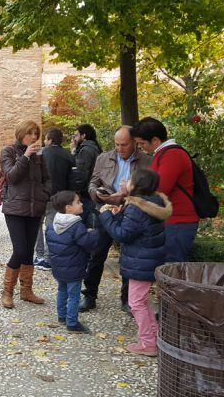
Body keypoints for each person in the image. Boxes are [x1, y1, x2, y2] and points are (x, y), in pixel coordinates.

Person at [99, 169, 171, 357]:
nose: (126, 182)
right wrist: (117, 215)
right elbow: (132, 228)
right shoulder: (152, 203)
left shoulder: (136, 207)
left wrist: (106, 216)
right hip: (148, 259)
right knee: (142, 300)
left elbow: (122, 234)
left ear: (137, 185)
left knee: (136, 303)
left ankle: (148, 343)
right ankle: (153, 336)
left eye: (130, 179)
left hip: (141, 262)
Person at [81, 126, 152, 313]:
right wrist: (97, 194)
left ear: (134, 143)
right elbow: (92, 183)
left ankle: (127, 299)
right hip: (104, 210)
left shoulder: (147, 161)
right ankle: (89, 295)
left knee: (130, 258)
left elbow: (150, 188)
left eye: (124, 145)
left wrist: (128, 196)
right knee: (97, 254)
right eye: (117, 144)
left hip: (131, 212)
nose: (120, 148)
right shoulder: (103, 158)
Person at [131, 117, 199, 263]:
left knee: (173, 270)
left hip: (179, 221)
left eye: (142, 143)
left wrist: (132, 190)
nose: (141, 147)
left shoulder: (171, 155)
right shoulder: (163, 153)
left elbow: (161, 188)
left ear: (155, 140)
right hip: (171, 219)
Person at [0, 120, 50, 308]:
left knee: (28, 251)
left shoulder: (40, 154)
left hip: (35, 207)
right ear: (21, 133)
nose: (34, 137)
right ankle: (7, 292)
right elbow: (11, 176)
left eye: (36, 133)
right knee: (19, 250)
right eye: (30, 133)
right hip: (15, 208)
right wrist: (26, 156)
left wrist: (45, 194)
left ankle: (26, 291)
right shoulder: (9, 151)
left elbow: (47, 178)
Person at [46, 191, 101, 333]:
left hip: (59, 267)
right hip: (74, 268)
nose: (81, 203)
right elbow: (88, 244)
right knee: (74, 295)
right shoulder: (76, 226)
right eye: (78, 202)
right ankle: (72, 322)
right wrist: (94, 233)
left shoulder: (53, 224)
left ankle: (62, 316)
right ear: (68, 208)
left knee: (61, 291)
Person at [33, 128, 76, 271]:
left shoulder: (41, 153)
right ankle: (49, 257)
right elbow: (73, 177)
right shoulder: (68, 155)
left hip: (41, 195)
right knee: (52, 227)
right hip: (59, 197)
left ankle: (38, 255)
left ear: (50, 140)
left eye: (46, 139)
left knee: (36, 226)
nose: (44, 141)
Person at [70, 124, 102, 226]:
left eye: (76, 135)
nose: (75, 138)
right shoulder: (95, 148)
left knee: (85, 223)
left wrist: (77, 191)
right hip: (93, 189)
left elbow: (81, 173)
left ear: (83, 136)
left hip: (86, 193)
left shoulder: (85, 150)